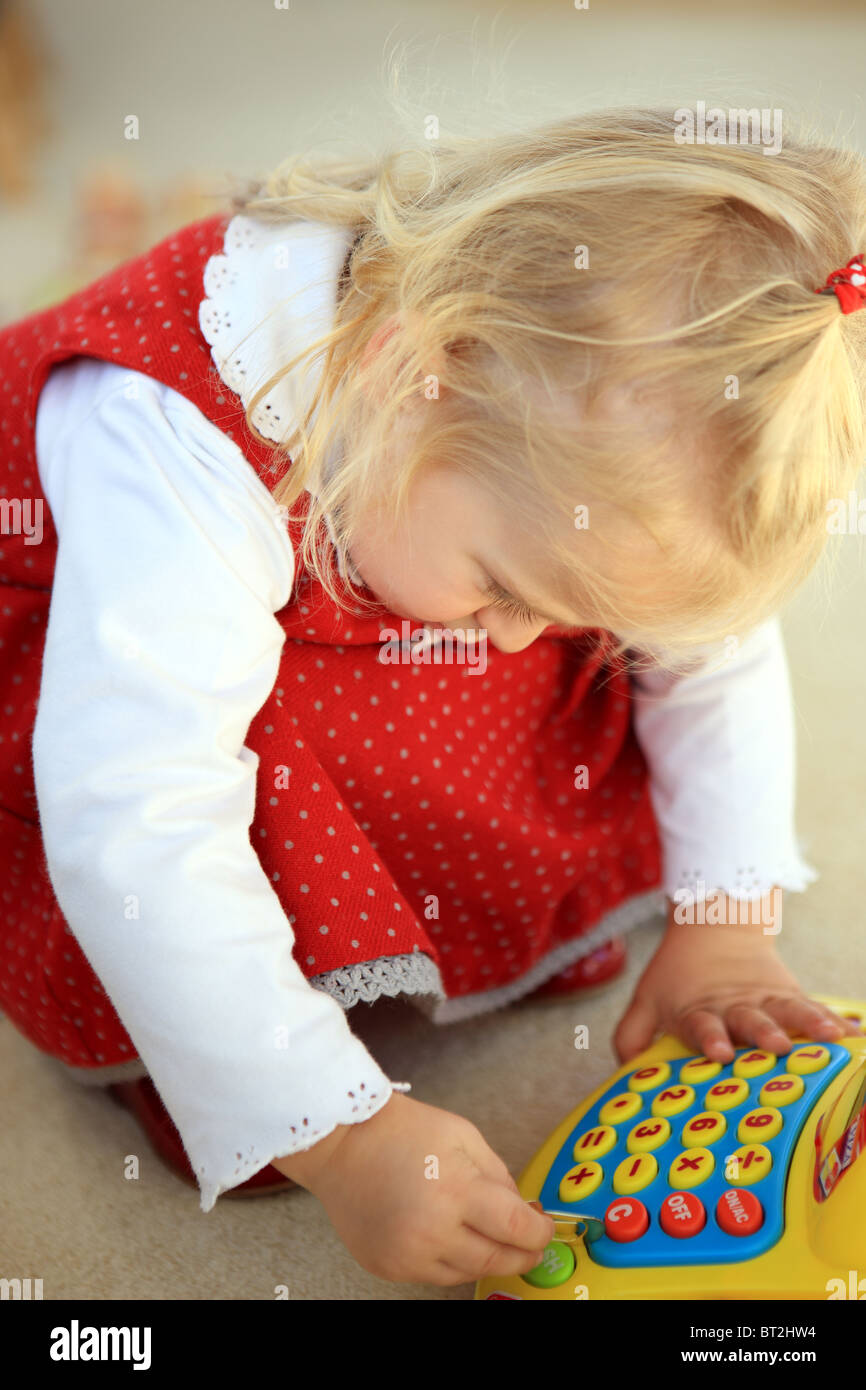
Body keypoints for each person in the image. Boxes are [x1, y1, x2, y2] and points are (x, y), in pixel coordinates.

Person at [2, 106, 865, 1288]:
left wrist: (725, 920)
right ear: (410, 373)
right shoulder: (168, 439)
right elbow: (135, 812)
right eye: (508, 587)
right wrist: (335, 1129)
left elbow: (706, 651)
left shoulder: (551, 442)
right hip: (109, 667)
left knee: (517, 627)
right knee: (208, 808)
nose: (525, 641)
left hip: (367, 568)